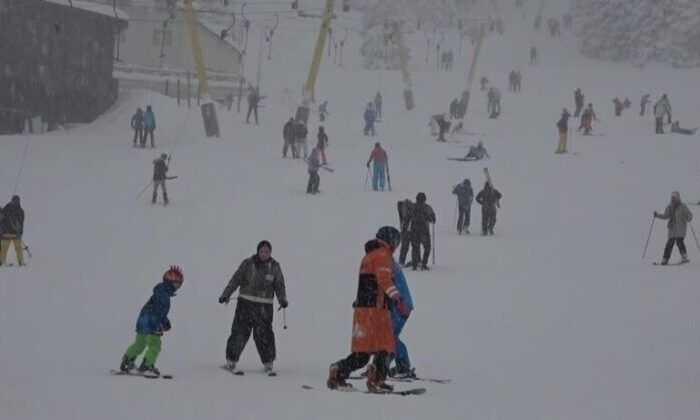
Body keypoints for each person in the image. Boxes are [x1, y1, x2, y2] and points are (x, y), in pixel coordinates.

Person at [327, 226, 410, 392]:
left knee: (363, 352)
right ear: (390, 240)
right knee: (387, 346)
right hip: (377, 310)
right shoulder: (382, 255)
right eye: (396, 241)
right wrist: (398, 299)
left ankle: (338, 372)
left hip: (363, 310)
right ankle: (377, 378)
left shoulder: (368, 256)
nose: (396, 246)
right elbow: (384, 280)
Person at [219, 241, 288, 374]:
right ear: (258, 251)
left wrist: (283, 300)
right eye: (262, 251)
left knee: (264, 334)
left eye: (267, 252)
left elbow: (279, 285)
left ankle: (268, 363)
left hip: (265, 305)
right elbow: (235, 280)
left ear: (270, 253)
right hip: (245, 303)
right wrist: (225, 295)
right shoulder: (247, 263)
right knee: (239, 331)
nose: (264, 254)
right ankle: (231, 361)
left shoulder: (274, 267)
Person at [119, 266, 184, 377]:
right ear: (170, 281)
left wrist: (164, 320)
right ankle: (147, 366)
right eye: (177, 284)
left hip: (142, 320)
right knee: (155, 345)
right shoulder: (164, 294)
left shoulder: (161, 291)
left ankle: (127, 362)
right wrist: (161, 323)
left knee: (140, 344)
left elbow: (158, 310)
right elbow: (159, 311)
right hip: (151, 322)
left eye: (180, 284)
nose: (178, 287)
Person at [388, 260, 414, 378]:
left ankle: (402, 366)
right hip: (403, 305)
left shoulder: (386, 264)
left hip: (399, 306)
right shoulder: (390, 262)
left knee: (388, 337)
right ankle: (401, 365)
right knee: (390, 337)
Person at [653, 191, 693, 265]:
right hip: (672, 229)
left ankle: (684, 257)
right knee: (669, 244)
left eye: (674, 198)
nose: (673, 199)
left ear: (678, 198)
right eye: (672, 198)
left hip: (681, 229)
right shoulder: (669, 207)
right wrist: (657, 215)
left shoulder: (683, 206)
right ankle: (665, 259)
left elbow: (690, 214)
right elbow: (665, 216)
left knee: (679, 242)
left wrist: (689, 218)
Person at [409, 192, 436, 271]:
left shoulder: (412, 207)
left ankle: (415, 264)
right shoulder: (427, 207)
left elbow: (407, 216)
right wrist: (432, 218)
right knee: (427, 247)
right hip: (424, 231)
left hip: (414, 230)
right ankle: (423, 264)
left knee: (415, 248)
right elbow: (432, 219)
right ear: (424, 199)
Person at [0, 195, 24, 266]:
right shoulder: (21, 211)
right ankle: (20, 262)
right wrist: (20, 233)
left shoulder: (7, 207)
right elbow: (21, 224)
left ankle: (1, 261)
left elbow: (1, 218)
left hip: (6, 232)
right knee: (18, 248)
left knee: (4, 248)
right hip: (16, 234)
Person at [397, 199, 413, 266]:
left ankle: (415, 261)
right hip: (405, 230)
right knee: (405, 247)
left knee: (413, 246)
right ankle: (401, 262)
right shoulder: (401, 209)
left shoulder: (411, 211)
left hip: (410, 230)